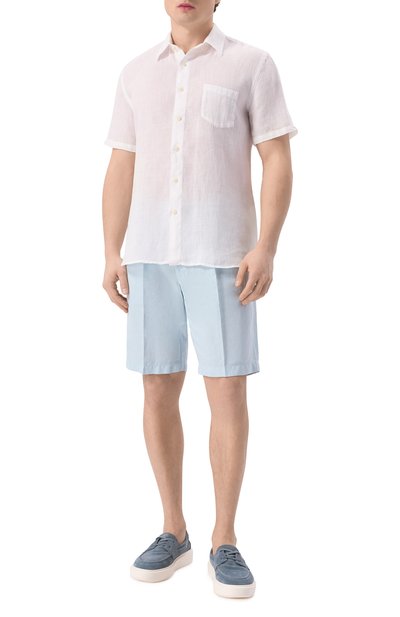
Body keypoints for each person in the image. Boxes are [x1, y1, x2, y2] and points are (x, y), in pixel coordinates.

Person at [102, 0, 297, 599]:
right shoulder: (136, 72)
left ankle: (224, 538)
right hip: (150, 254)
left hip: (223, 255)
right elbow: (122, 164)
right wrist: (111, 250)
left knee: (227, 391)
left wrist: (266, 246)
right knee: (156, 387)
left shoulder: (252, 64)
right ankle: (174, 530)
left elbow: (277, 157)